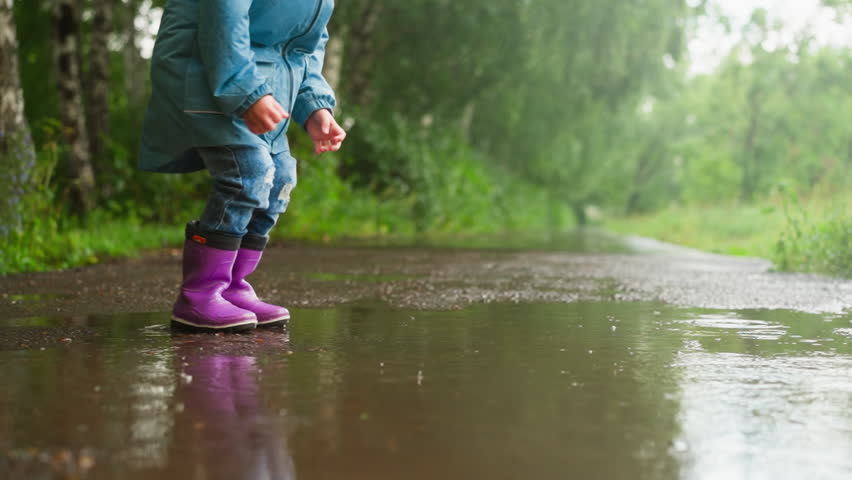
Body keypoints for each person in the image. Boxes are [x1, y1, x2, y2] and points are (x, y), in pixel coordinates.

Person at [138, 0, 345, 332]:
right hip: (208, 71)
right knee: (247, 173)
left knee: (278, 180)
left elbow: (302, 49)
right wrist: (246, 91)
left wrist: (314, 105)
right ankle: (200, 293)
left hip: (269, 86)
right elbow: (223, 20)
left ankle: (232, 286)